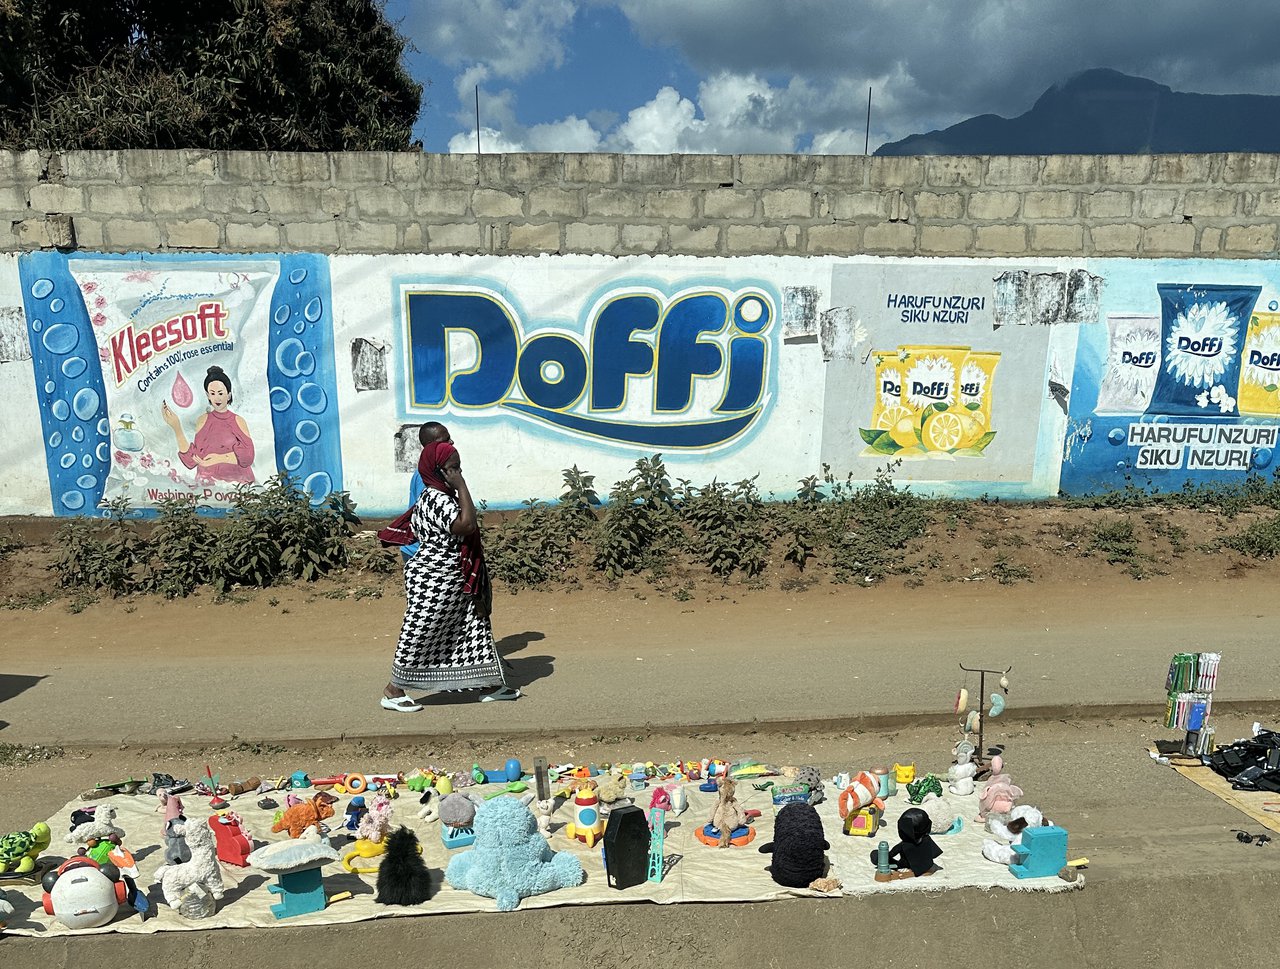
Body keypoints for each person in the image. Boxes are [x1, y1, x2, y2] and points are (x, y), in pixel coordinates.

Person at [382, 423, 519, 711]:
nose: (458, 473)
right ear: (438, 469)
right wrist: (462, 486)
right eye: (453, 468)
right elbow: (466, 524)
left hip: (454, 575)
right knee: (422, 629)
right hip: (435, 577)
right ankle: (394, 690)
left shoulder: (443, 492)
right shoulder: (435, 495)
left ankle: (488, 684)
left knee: (473, 627)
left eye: (459, 468)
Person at [160, 365, 255, 485]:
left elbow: (248, 456)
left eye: (220, 393)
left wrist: (219, 458)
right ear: (208, 395)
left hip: (238, 487)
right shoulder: (203, 420)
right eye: (212, 393)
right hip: (208, 488)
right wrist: (176, 427)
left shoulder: (237, 421)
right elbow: (192, 459)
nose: (217, 398)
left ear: (229, 395)